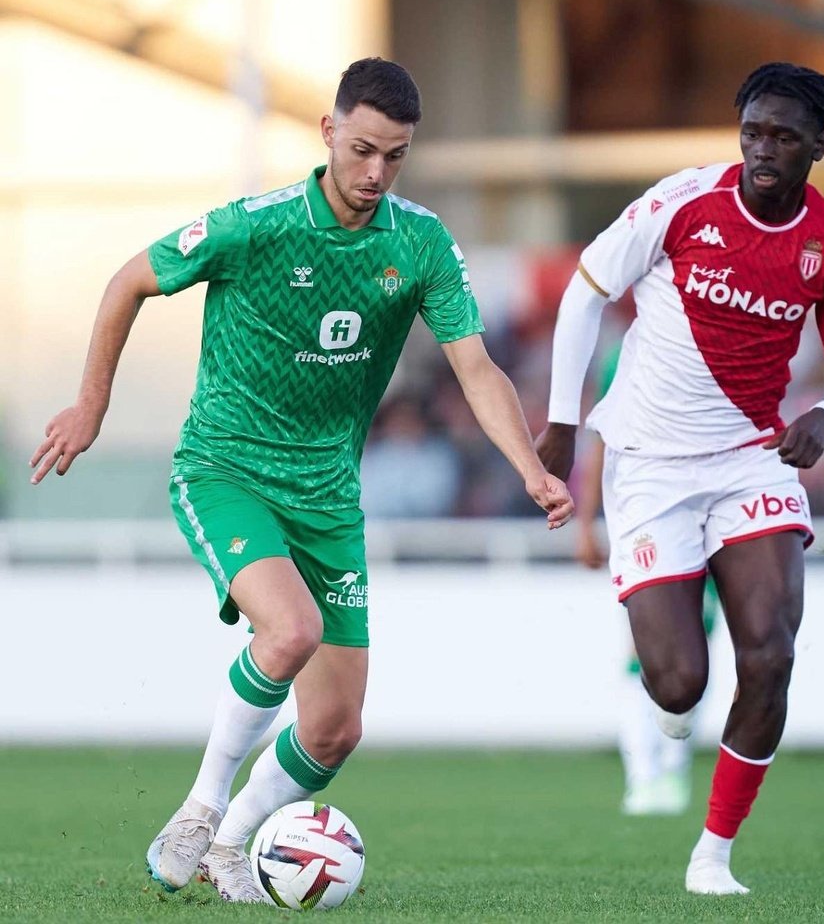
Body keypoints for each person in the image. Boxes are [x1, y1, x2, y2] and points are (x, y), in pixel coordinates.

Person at [30, 57, 573, 903]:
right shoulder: (257, 226)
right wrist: (91, 405)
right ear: (327, 132)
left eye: (395, 157)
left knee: (332, 729)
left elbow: (476, 367)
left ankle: (231, 845)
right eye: (361, 150)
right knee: (289, 632)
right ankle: (198, 813)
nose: (374, 173)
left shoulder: (418, 241)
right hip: (226, 469)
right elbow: (129, 279)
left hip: (328, 497)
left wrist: (529, 466)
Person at [536, 62, 824, 895]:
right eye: (752, 131)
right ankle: (669, 719)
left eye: (783, 137)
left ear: (817, 146)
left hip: (752, 457)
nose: (762, 150)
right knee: (678, 684)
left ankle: (712, 855)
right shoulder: (684, 202)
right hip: (648, 466)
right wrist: (563, 420)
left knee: (771, 654)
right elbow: (585, 292)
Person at [575, 345, 720, 817]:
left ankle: (674, 768)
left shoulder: (722, 336)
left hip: (710, 512)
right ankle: (642, 775)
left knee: (695, 650)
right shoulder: (627, 354)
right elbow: (602, 439)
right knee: (644, 649)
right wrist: (586, 523)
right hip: (645, 514)